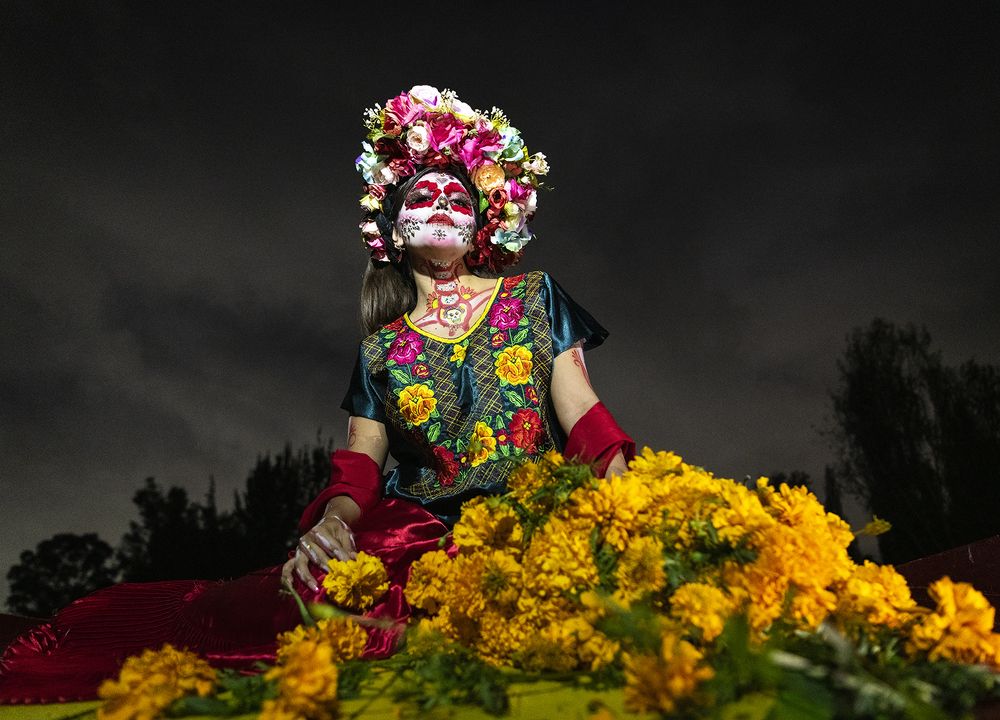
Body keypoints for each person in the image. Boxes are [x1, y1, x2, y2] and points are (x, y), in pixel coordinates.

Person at [0, 85, 634, 704]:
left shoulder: (533, 296)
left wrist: (623, 490)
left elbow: (578, 406)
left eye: (456, 196)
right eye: (423, 193)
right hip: (417, 532)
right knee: (295, 605)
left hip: (527, 517)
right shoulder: (380, 349)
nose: (441, 202)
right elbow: (362, 461)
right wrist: (331, 523)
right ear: (391, 229)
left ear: (481, 225)